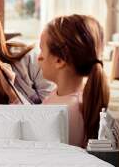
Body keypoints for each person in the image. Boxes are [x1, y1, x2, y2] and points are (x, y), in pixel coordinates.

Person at [38, 14, 110, 148]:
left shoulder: (70, 112)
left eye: (42, 50)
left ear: (59, 60)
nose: (38, 57)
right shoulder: (61, 95)